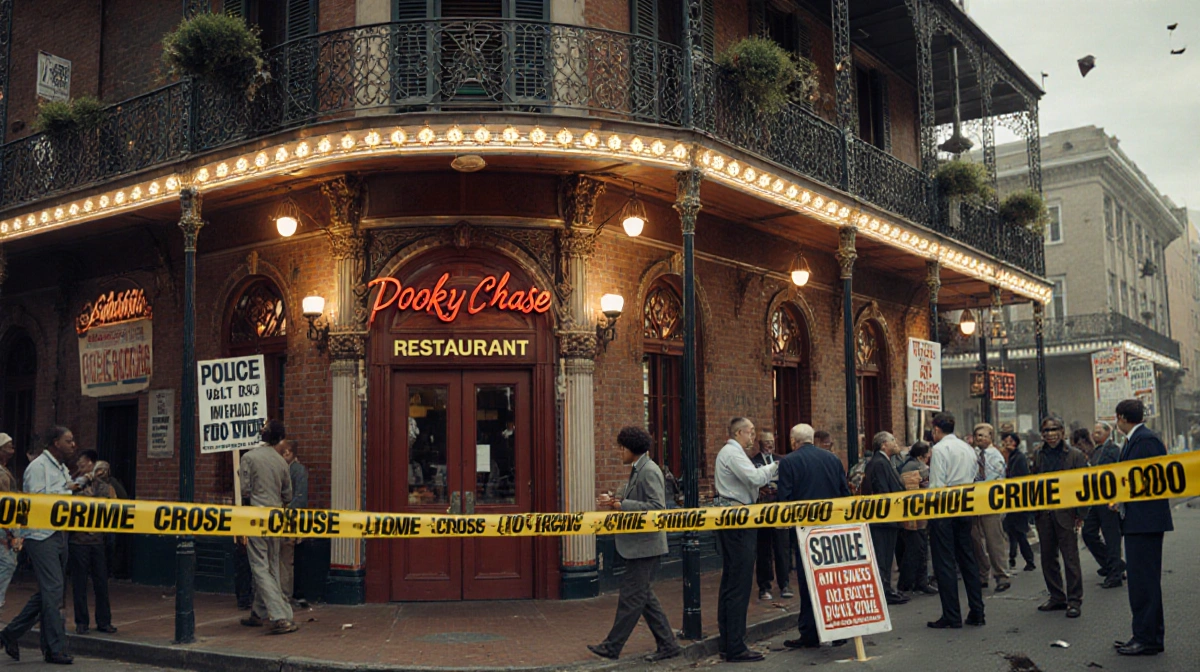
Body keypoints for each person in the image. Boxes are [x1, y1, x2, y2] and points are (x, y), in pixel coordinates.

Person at [587, 427, 682, 663]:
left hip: (645, 546)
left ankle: (612, 646)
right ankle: (668, 644)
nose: (620, 452)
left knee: (631, 597)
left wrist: (623, 505)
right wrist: (616, 501)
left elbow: (657, 508)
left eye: (621, 448)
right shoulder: (639, 469)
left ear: (631, 449)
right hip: (640, 546)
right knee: (644, 597)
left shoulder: (649, 471)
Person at [1, 427, 80, 664]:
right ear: (56, 443)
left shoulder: (61, 467)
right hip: (40, 535)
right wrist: (67, 491)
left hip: (58, 533)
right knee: (54, 589)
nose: (73, 444)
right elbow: (36, 501)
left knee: (51, 591)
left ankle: (11, 633)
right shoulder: (38, 468)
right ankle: (54, 648)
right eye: (69, 440)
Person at [776, 424, 850, 650]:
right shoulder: (833, 460)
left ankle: (809, 632)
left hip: (805, 531)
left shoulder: (789, 462)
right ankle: (838, 630)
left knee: (808, 581)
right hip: (831, 529)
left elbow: (785, 498)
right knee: (832, 578)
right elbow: (844, 494)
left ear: (792, 440)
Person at [713, 417, 778, 662]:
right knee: (738, 583)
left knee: (732, 581)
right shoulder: (734, 453)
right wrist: (777, 466)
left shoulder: (731, 453)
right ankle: (735, 646)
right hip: (739, 520)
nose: (753, 437)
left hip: (734, 519)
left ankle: (729, 642)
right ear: (739, 433)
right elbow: (755, 478)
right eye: (750, 432)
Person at [1113, 399, 1172, 656]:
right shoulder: (1137, 440)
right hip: (1139, 521)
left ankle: (1146, 637)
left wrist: (1124, 498)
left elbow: (1146, 481)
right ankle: (1147, 634)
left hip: (1144, 522)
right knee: (1142, 582)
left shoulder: (1145, 441)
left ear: (1122, 417)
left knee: (1143, 583)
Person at [927, 412, 985, 629]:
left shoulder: (940, 449)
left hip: (945, 507)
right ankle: (977, 610)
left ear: (936, 430)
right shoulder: (967, 448)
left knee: (945, 562)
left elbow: (937, 484)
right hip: (965, 503)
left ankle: (952, 614)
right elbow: (974, 475)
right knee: (967, 557)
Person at [239, 420, 297, 635]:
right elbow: (288, 495)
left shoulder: (249, 457)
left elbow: (245, 490)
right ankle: (259, 612)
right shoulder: (282, 462)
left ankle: (280, 616)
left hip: (256, 516)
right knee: (272, 564)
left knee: (260, 567)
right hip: (276, 517)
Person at [1030, 415, 1088, 619]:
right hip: (1044, 513)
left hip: (1066, 513)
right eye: (1046, 431)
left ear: (1062, 432)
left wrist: (1081, 514)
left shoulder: (1075, 455)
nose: (1050, 434)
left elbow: (1084, 485)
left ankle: (1074, 600)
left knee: (1070, 558)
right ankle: (1057, 596)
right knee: (1047, 558)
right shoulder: (1038, 455)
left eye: (1054, 430)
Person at [68, 452, 117, 636]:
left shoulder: (104, 487)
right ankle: (82, 622)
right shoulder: (74, 485)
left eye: (84, 464)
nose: (81, 467)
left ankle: (104, 621)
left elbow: (113, 504)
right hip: (78, 540)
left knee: (101, 582)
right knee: (79, 583)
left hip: (97, 540)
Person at [859, 432, 908, 605]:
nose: (896, 443)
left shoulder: (884, 462)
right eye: (893, 440)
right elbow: (882, 490)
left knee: (887, 556)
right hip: (884, 519)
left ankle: (887, 589)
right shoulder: (879, 463)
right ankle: (884, 591)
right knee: (883, 556)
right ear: (883, 445)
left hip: (887, 518)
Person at [1081, 422, 1124, 588]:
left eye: (1099, 432)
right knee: (1088, 533)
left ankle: (1115, 574)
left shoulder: (1113, 450)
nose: (1095, 434)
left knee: (1111, 537)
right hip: (1095, 498)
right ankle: (1112, 564)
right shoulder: (1096, 451)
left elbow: (1119, 473)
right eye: (1094, 431)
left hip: (1108, 498)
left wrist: (1117, 499)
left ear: (1108, 433)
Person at [969, 424, 1011, 592]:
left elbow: (995, 477)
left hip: (990, 500)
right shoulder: (973, 455)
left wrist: (978, 486)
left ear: (991, 437)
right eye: (977, 435)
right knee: (975, 539)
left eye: (983, 435)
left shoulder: (995, 456)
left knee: (994, 540)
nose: (980, 438)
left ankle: (1001, 575)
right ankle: (982, 573)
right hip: (973, 501)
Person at [751, 432, 791, 601]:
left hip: (780, 509)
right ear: (760, 444)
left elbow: (789, 480)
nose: (770, 445)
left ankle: (785, 584)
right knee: (764, 548)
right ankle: (764, 586)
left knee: (782, 548)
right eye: (766, 442)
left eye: (771, 442)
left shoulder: (781, 460)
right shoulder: (753, 462)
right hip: (762, 510)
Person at [896, 441, 936, 595]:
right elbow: (915, 491)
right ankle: (908, 583)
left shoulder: (909, 465)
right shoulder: (915, 468)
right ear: (921, 455)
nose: (928, 459)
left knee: (918, 549)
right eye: (927, 456)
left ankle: (918, 581)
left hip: (916, 516)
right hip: (915, 518)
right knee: (916, 549)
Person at [999, 432, 1035, 571]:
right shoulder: (1010, 457)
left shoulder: (1019, 458)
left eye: (1010, 441)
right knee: (1011, 529)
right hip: (1012, 499)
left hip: (1018, 499)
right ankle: (1013, 557)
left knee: (1019, 532)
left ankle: (1029, 560)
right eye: (1005, 440)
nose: (1007, 443)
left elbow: (1020, 478)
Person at [279, 439, 309, 607]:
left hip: (292, 522)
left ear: (288, 452)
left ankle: (290, 595)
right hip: (292, 521)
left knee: (289, 560)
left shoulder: (297, 470)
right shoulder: (293, 470)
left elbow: (299, 498)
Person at [0, 434, 18, 615]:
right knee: (7, 563)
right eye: (8, 446)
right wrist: (9, 531)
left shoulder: (5, 470)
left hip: (6, 524)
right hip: (3, 526)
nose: (12, 449)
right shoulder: (1, 474)